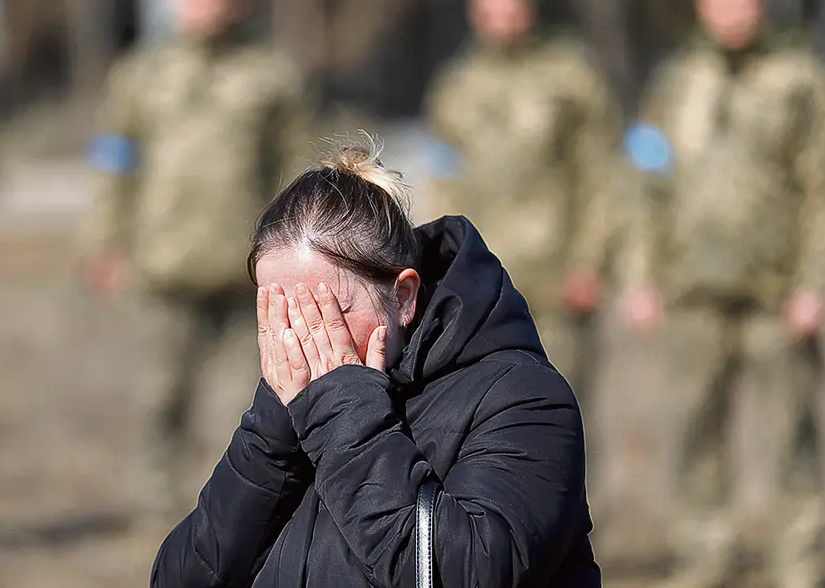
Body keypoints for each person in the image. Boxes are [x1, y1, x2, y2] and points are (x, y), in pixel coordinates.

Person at [149, 140, 601, 587]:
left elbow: (462, 572)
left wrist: (345, 413)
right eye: (282, 314)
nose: (304, 338)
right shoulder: (287, 412)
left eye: (326, 312)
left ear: (403, 296)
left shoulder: (523, 398)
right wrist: (271, 436)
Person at [621, 0, 825, 586]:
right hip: (694, 293)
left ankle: (798, 568)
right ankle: (705, 564)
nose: (733, 9)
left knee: (791, 440)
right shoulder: (676, 81)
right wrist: (640, 274)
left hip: (779, 297)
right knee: (696, 435)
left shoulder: (800, 78)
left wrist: (817, 283)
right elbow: (649, 183)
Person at [78, 0, 312, 519]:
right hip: (164, 265)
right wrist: (105, 241)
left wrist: (301, 253)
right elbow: (115, 162)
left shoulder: (270, 77)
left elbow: (297, 170)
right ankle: (157, 507)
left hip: (246, 271)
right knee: (159, 395)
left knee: (250, 404)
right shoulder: (142, 74)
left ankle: (242, 510)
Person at [424, 0, 624, 404]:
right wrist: (434, 267)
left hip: (555, 284)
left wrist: (590, 262)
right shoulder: (456, 85)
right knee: (481, 415)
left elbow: (602, 174)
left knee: (558, 410)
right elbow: (444, 181)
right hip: (477, 284)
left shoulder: (571, 78)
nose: (502, 10)